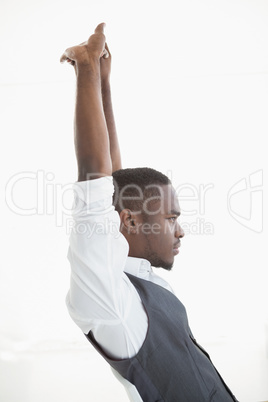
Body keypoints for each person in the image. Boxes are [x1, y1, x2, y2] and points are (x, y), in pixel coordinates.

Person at [60, 23, 239, 402]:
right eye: (171, 218)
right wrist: (87, 68)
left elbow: (116, 184)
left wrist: (103, 83)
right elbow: (95, 186)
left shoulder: (136, 276)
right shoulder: (110, 301)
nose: (180, 230)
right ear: (131, 221)